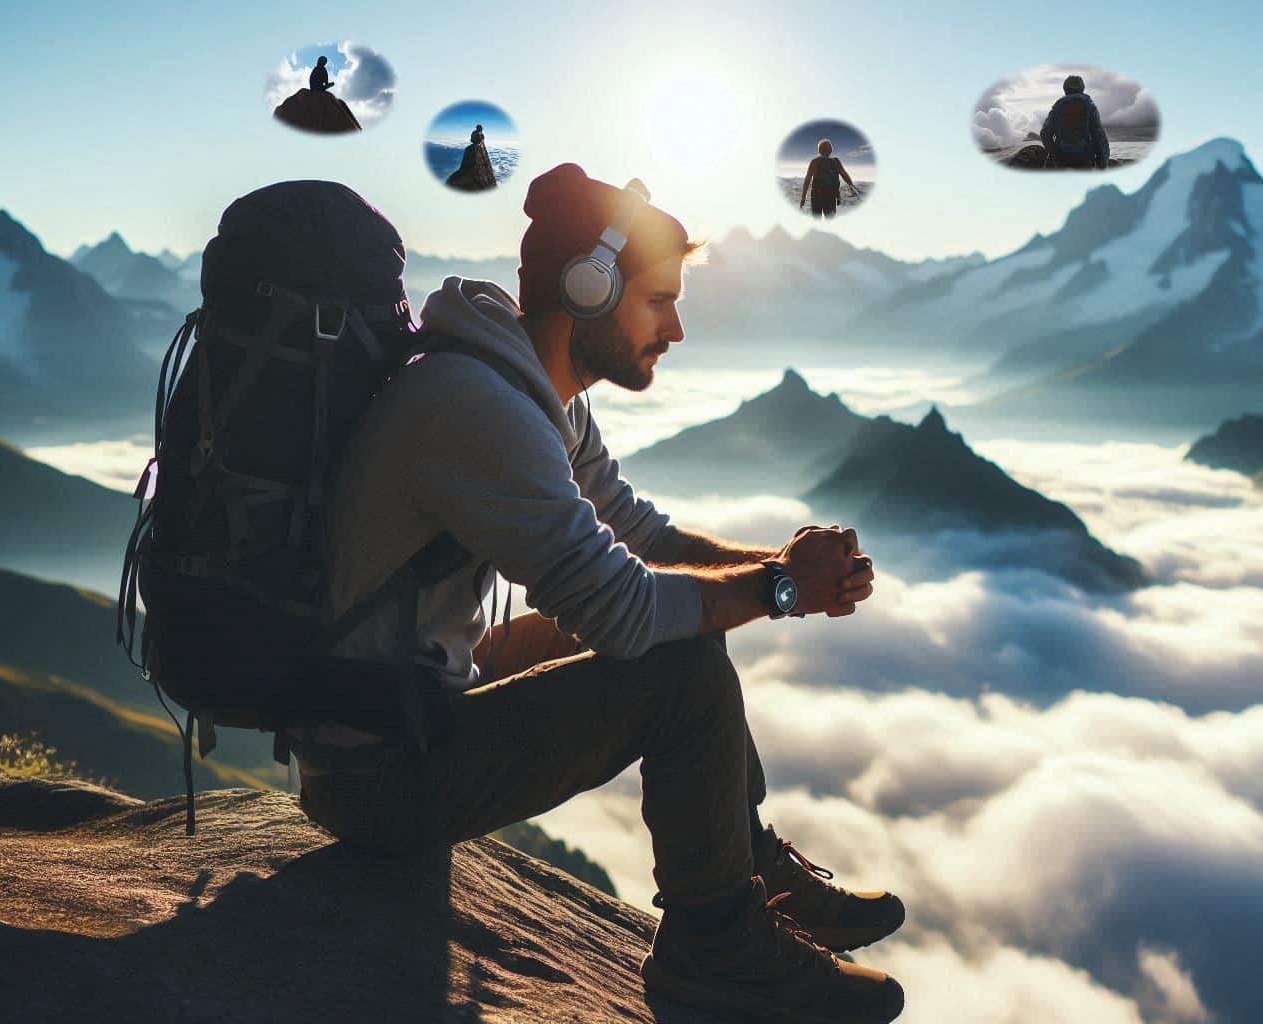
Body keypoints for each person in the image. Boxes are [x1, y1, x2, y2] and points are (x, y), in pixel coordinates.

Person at [293, 163, 907, 1024]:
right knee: (678, 671)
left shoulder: (531, 389)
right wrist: (777, 590)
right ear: (588, 289)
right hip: (375, 774)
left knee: (689, 614)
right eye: (659, 302)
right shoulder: (477, 406)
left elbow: (641, 538)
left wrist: (784, 567)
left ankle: (743, 862)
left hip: (410, 707)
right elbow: (623, 613)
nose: (679, 329)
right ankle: (716, 951)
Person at [1040, 74, 1110, 170]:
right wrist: (1103, 162)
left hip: (1062, 160)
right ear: (1082, 88)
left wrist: (1054, 154)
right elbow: (1099, 135)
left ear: (1065, 89)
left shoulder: (1058, 106)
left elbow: (1045, 133)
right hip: (1085, 159)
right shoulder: (1089, 105)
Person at [798, 139, 857, 219]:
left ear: (819, 150)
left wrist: (803, 198)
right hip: (830, 197)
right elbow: (844, 175)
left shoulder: (814, 162)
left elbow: (807, 180)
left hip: (816, 197)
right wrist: (851, 186)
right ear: (831, 150)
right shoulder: (836, 161)